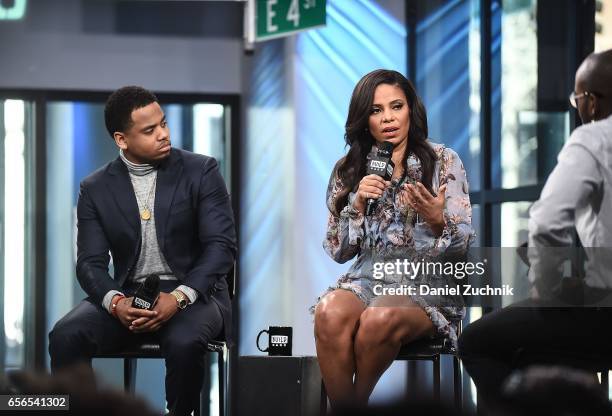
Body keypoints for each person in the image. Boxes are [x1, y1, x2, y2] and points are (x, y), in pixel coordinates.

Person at [48, 86, 236, 416]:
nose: (164, 134)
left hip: (195, 294)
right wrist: (117, 303)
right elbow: (89, 264)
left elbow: (221, 248)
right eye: (150, 130)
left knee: (184, 343)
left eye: (163, 123)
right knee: (66, 335)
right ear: (122, 139)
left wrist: (178, 297)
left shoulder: (201, 171)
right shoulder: (95, 188)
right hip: (129, 296)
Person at [458, 49, 612, 412]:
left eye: (577, 99)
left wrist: (549, 288)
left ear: (589, 101)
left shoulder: (594, 140)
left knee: (478, 341)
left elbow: (547, 223)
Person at [313, 69, 475, 409]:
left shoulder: (443, 161)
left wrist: (436, 220)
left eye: (396, 106)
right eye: (376, 110)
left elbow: (462, 245)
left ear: (410, 111)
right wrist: (356, 204)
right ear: (364, 119)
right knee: (328, 312)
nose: (388, 117)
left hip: (427, 282)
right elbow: (337, 250)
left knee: (378, 319)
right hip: (368, 278)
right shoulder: (349, 169)